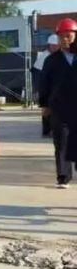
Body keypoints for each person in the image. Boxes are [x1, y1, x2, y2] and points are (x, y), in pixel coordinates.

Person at [39, 17, 77, 189]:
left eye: (68, 36)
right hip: (59, 108)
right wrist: (44, 106)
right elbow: (44, 84)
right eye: (62, 36)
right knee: (61, 143)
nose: (65, 39)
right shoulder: (51, 60)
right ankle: (63, 177)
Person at [33, 36, 59, 136]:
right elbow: (37, 75)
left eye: (56, 45)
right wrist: (36, 90)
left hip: (56, 88)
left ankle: (53, 130)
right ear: (49, 46)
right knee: (46, 109)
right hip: (45, 88)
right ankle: (47, 130)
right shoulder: (44, 57)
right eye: (53, 45)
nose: (55, 47)